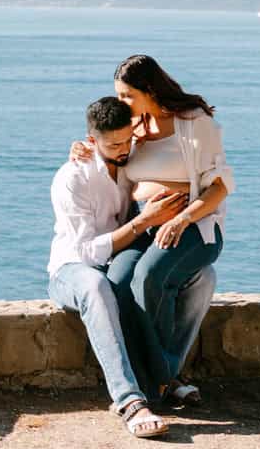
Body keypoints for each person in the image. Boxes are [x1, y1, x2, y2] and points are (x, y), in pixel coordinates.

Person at [74, 54, 232, 405]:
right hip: (143, 226)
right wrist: (84, 148)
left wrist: (180, 220)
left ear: (149, 89)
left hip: (194, 226)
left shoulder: (194, 123)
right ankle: (165, 377)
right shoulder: (134, 128)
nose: (121, 102)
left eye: (127, 95)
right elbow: (108, 148)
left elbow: (219, 187)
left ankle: (152, 388)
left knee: (147, 275)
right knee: (117, 281)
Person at [49, 96, 195, 438]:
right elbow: (85, 253)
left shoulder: (135, 160)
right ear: (90, 140)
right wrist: (143, 223)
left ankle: (164, 375)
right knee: (97, 286)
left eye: (128, 139)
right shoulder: (73, 177)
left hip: (118, 262)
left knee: (199, 277)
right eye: (113, 144)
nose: (123, 148)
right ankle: (129, 400)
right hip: (71, 270)